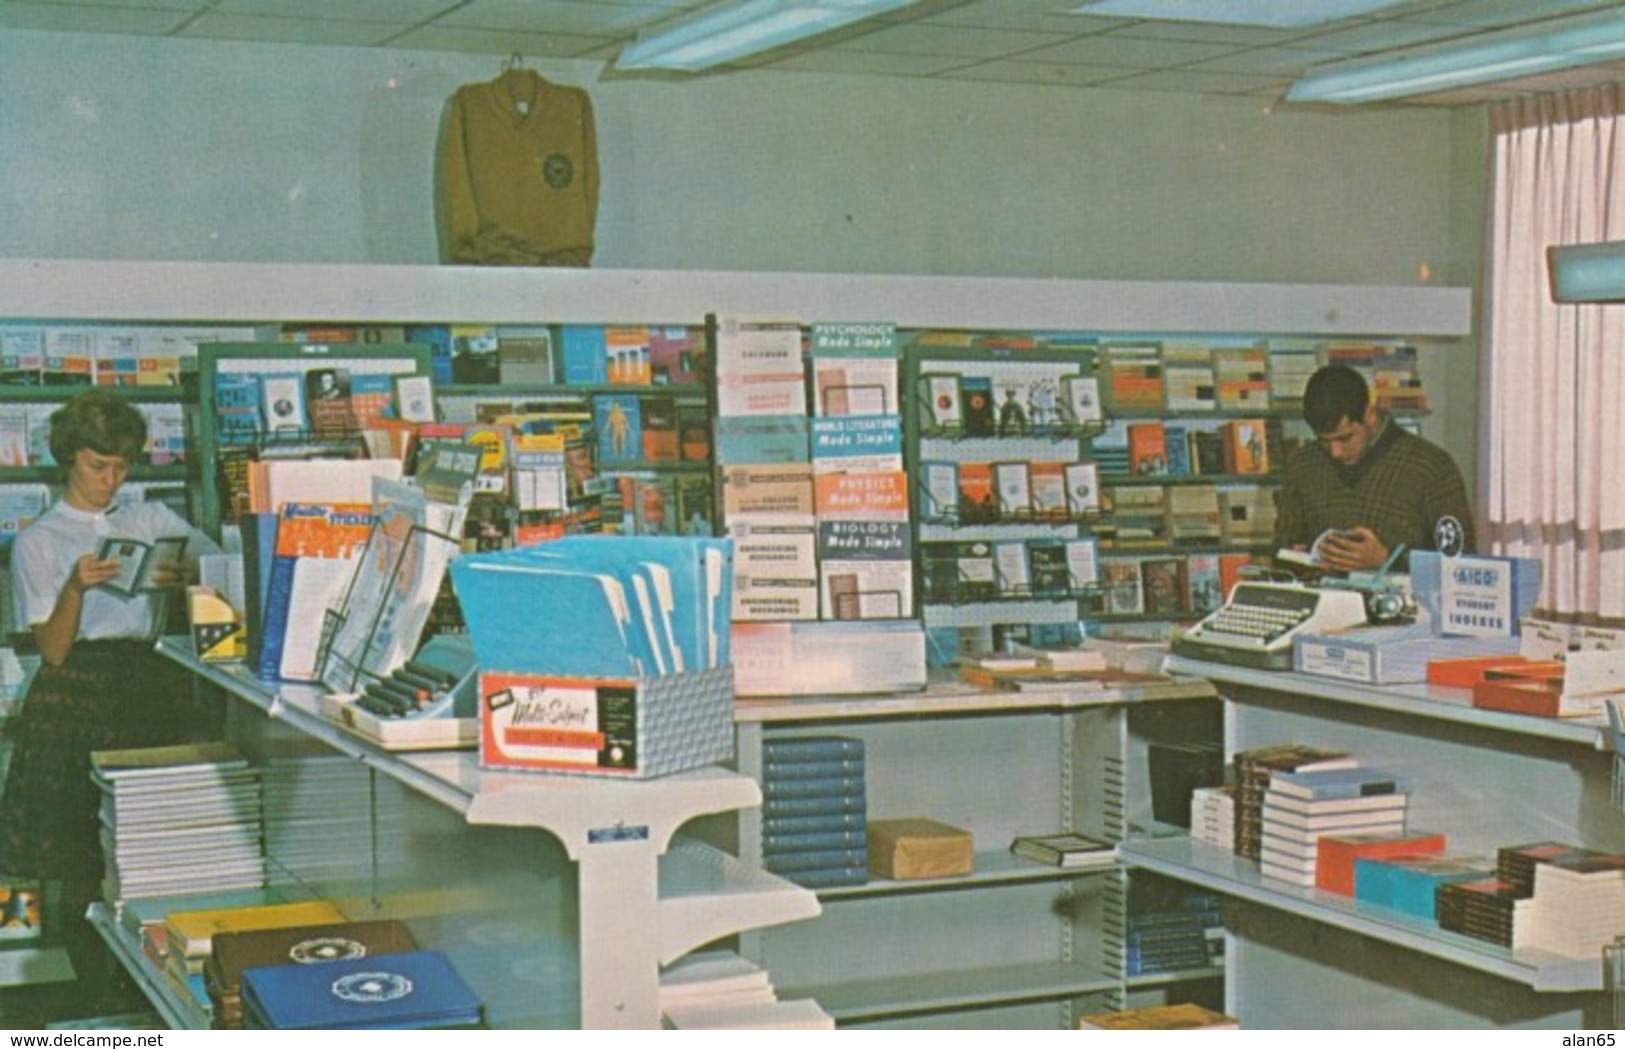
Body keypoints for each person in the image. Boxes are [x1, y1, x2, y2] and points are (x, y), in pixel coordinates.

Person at [0, 390, 220, 1013]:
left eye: (122, 466)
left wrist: (190, 577)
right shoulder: (39, 541)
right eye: (98, 465)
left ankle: (159, 993)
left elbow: (221, 562)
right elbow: (55, 648)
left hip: (149, 683)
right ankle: (101, 1000)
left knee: (153, 846)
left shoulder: (147, 519)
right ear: (69, 458)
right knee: (78, 856)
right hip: (76, 691)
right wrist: (75, 585)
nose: (110, 479)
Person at [1275, 364, 1475, 574]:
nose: (1335, 452)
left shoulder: (1431, 467)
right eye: (1324, 441)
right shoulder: (1303, 464)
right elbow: (1280, 549)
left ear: (1369, 414)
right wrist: (1297, 558)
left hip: (1401, 604)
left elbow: (1463, 564)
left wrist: (1386, 560)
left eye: (1345, 438)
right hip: (1322, 604)